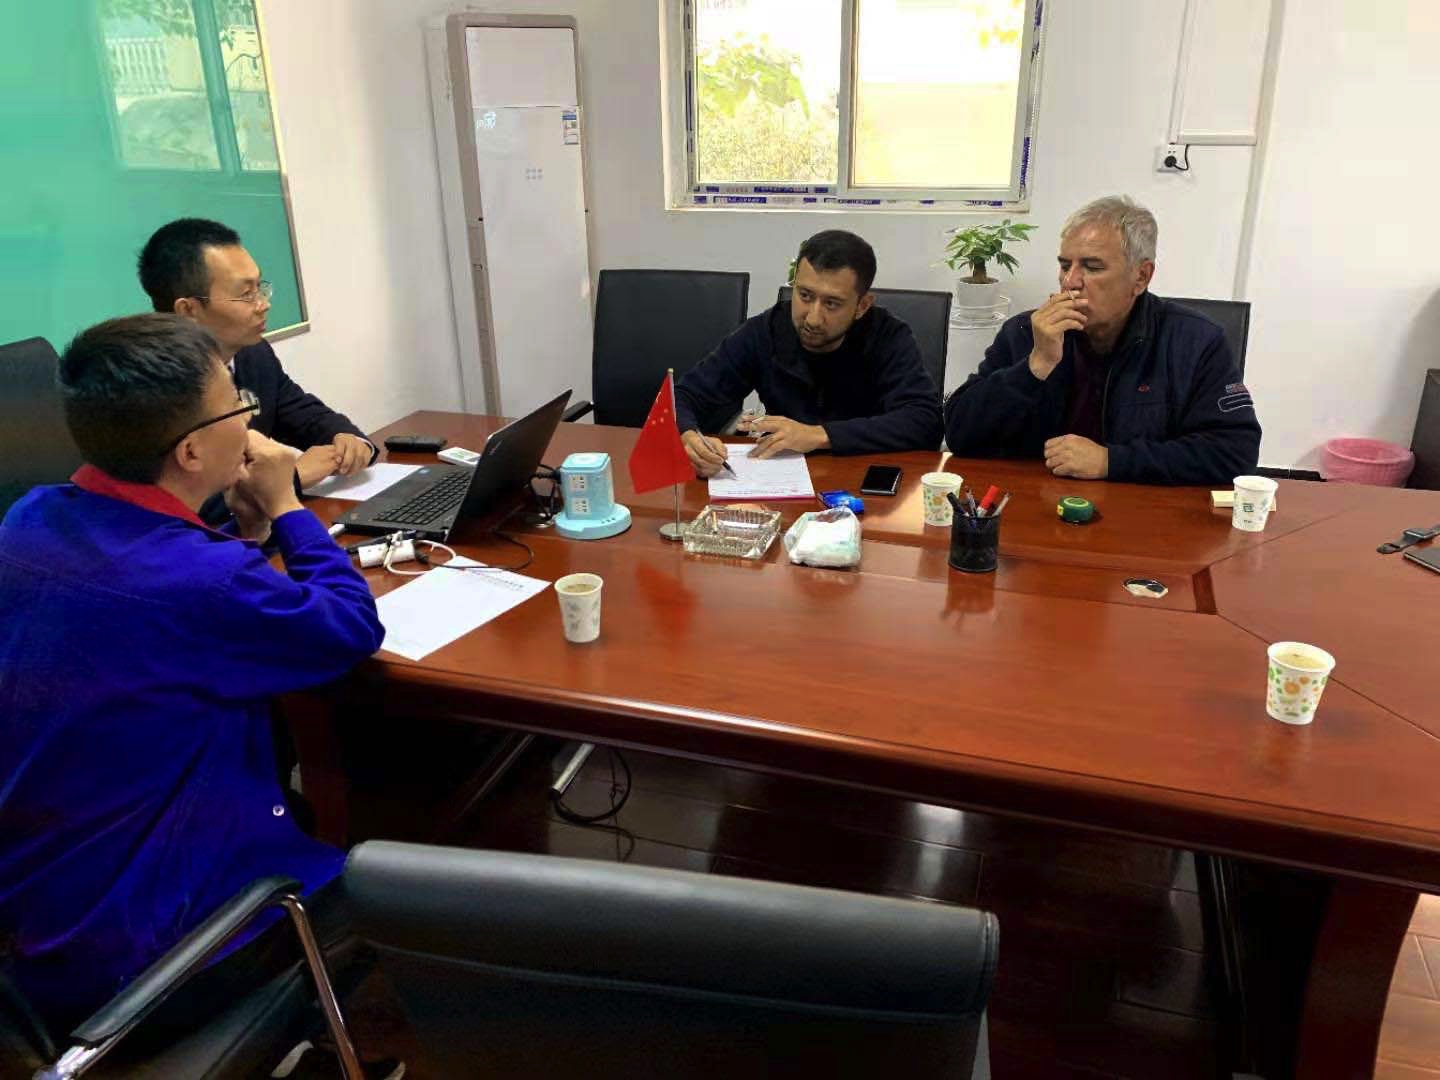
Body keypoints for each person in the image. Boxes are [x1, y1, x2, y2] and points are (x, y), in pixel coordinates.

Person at [0, 314, 385, 1035]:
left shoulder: (28, 520)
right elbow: (349, 628)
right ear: (191, 449)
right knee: (406, 889)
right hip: (158, 952)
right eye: (237, 403)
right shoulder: (199, 583)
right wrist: (285, 505)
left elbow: (160, 601)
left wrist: (245, 536)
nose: (249, 418)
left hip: (43, 917)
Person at [943, 196, 1261, 485]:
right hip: (1036, 504)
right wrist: (1035, 366)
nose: (1070, 282)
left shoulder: (1195, 341)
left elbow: (1235, 452)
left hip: (1140, 515)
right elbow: (959, 434)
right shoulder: (1027, 332)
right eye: (1064, 266)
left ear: (1141, 277)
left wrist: (1112, 461)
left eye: (1092, 267)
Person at [675, 230, 943, 476]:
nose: (813, 318)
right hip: (781, 480)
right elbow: (683, 396)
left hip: (864, 478)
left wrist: (820, 435)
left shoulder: (888, 336)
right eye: (805, 295)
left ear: (862, 305)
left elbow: (925, 421)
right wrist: (689, 438)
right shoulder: (764, 331)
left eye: (832, 304)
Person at [138, 217, 375, 494]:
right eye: (246, 294)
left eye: (259, 287)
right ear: (189, 310)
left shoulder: (253, 354)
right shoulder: (153, 388)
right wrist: (292, 478)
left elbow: (302, 414)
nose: (264, 304)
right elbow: (177, 500)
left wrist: (347, 440)